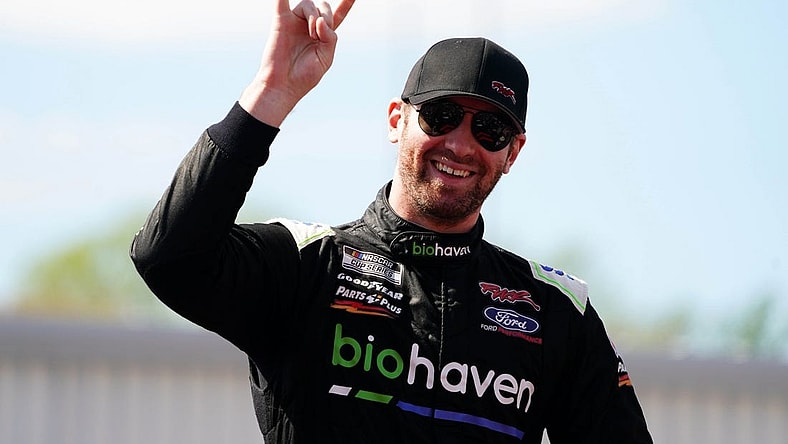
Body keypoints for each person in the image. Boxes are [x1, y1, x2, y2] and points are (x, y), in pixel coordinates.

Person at [130, 0, 653, 443]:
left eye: (490, 129)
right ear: (397, 120)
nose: (460, 144)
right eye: (441, 115)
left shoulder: (555, 311)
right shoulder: (308, 265)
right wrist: (270, 92)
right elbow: (169, 259)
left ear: (512, 152)